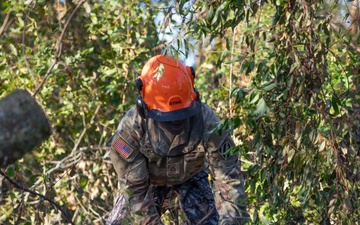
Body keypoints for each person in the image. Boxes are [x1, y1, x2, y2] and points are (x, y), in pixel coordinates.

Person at [106, 54, 250, 225]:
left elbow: (228, 177)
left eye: (181, 115)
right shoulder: (131, 130)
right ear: (143, 107)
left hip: (192, 178)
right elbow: (135, 190)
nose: (176, 121)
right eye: (167, 117)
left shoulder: (208, 122)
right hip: (146, 185)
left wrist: (230, 221)